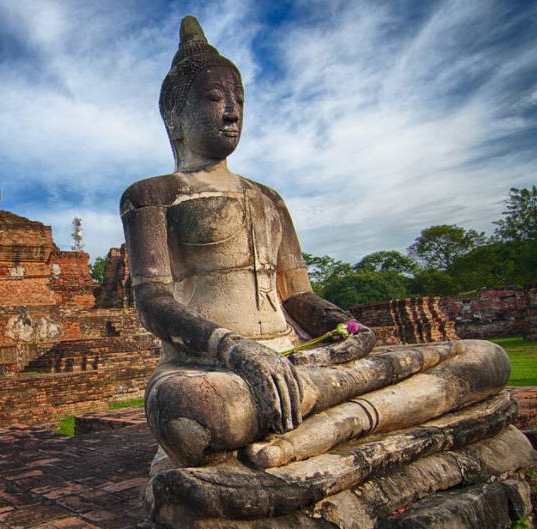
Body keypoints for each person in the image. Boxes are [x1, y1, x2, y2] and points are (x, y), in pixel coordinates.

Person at [122, 16, 507, 469]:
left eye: (239, 99)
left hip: (302, 360)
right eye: (213, 98)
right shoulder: (153, 196)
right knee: (192, 412)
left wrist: (344, 327)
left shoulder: (268, 198)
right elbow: (152, 301)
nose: (232, 111)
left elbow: (298, 295)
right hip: (214, 370)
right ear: (174, 115)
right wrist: (234, 348)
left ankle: (314, 430)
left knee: (483, 358)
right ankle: (342, 421)